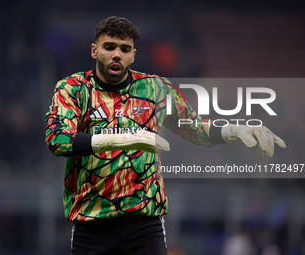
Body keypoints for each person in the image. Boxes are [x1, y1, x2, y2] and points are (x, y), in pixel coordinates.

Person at [45, 16, 286, 255]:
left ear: (133, 55)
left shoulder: (156, 89)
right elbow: (57, 139)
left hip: (144, 223)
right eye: (109, 47)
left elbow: (193, 128)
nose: (117, 54)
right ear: (94, 50)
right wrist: (120, 139)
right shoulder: (73, 88)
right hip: (91, 221)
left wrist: (234, 129)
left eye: (125, 49)